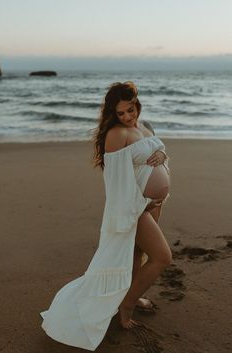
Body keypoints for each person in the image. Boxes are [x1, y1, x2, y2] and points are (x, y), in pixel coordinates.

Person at [40, 81, 171, 351]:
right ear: (113, 113)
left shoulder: (144, 125)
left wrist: (161, 153)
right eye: (120, 113)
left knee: (138, 255)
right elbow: (116, 182)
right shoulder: (116, 134)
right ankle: (127, 304)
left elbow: (155, 157)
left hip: (154, 201)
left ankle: (134, 295)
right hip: (136, 207)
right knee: (162, 257)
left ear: (137, 104)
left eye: (130, 110)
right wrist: (140, 206)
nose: (126, 116)